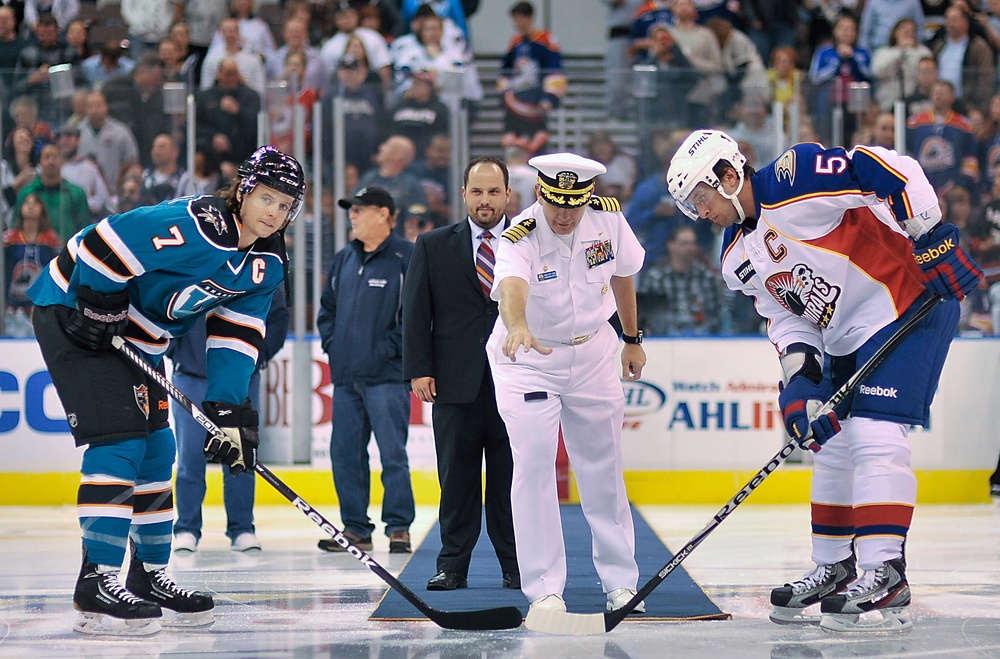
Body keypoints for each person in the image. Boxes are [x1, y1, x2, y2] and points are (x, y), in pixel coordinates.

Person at [665, 130, 983, 632]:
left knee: (876, 435)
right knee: (829, 443)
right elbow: (787, 318)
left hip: (905, 302)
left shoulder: (795, 178)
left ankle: (887, 572)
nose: (699, 212)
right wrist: (801, 384)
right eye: (690, 206)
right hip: (842, 333)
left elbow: (886, 167)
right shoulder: (735, 259)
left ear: (727, 176)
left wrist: (930, 237)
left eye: (700, 199)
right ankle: (834, 566)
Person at [26, 144, 306, 636]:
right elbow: (104, 239)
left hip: (139, 338)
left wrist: (227, 405)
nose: (274, 213)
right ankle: (96, 579)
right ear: (243, 191)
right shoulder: (197, 224)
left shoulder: (268, 262)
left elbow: (238, 332)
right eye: (267, 198)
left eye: (285, 205)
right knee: (121, 441)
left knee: (159, 448)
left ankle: (149, 573)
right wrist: (99, 300)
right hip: (74, 312)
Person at [487, 152, 647, 616]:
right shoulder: (520, 235)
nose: (564, 213)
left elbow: (623, 276)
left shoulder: (609, 222)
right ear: (539, 193)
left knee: (603, 464)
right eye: (556, 202)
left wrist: (632, 339)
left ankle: (621, 582)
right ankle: (543, 589)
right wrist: (517, 325)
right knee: (535, 463)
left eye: (574, 204)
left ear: (589, 198)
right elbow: (512, 287)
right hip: (529, 356)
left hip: (594, 350)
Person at [402, 157, 519, 592]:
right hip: (454, 383)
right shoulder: (432, 245)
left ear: (508, 195)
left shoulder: (530, 242)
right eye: (477, 191)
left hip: (518, 381)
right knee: (457, 480)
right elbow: (415, 312)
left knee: (513, 480)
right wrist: (418, 369)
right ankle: (452, 566)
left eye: (493, 192)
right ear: (464, 193)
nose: (485, 200)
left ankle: (517, 565)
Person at [316, 186, 415, 555]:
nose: (352, 216)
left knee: (393, 455)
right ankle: (355, 528)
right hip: (345, 378)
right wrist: (334, 347)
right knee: (345, 455)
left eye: (360, 210)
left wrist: (385, 352)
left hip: (387, 378)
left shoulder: (407, 256)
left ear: (385, 215)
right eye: (351, 210)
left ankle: (399, 527)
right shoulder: (345, 258)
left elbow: (416, 317)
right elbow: (327, 311)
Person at [170, 288, 289, 553]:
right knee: (190, 457)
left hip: (240, 375)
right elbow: (169, 306)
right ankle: (187, 528)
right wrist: (176, 351)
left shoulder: (259, 265)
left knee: (240, 454)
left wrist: (258, 354)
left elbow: (278, 317)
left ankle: (242, 528)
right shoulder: (195, 259)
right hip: (191, 375)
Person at [497, 1, 567, 156]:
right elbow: (506, 71)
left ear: (529, 18)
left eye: (519, 18)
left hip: (536, 105)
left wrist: (549, 97)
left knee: (537, 144)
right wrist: (504, 94)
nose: (517, 23)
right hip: (516, 104)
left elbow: (554, 69)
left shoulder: (546, 40)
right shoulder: (516, 42)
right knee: (512, 145)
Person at [636, 223, 725, 336]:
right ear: (671, 245)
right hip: (664, 341)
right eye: (684, 244)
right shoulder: (656, 278)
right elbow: (649, 315)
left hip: (702, 339)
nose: (690, 248)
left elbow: (716, 314)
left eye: (693, 243)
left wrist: (701, 332)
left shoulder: (706, 277)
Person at [2, 192, 61, 336]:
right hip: (12, 307)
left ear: (42, 209)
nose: (30, 206)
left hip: (38, 307)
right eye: (26, 203)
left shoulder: (51, 239)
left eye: (35, 203)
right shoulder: (9, 239)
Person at [13, 143, 89, 243]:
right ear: (39, 162)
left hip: (67, 253)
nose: (51, 161)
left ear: (62, 161)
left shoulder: (76, 193)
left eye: (55, 157)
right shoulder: (27, 192)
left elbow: (84, 229)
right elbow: (16, 225)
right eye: (47, 157)